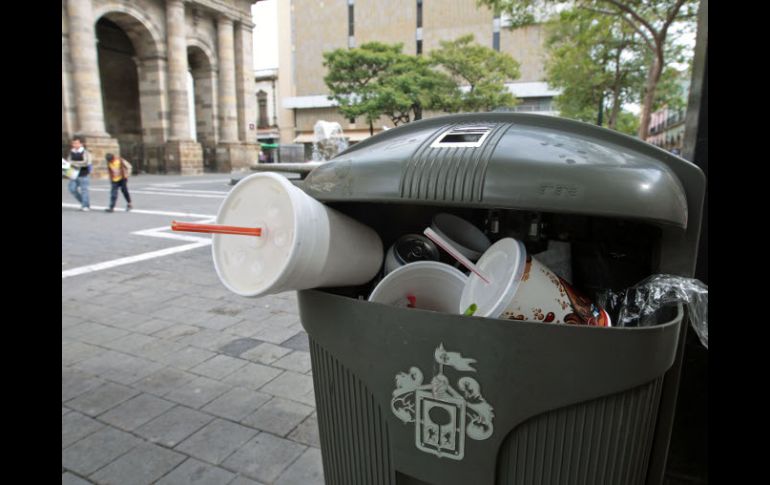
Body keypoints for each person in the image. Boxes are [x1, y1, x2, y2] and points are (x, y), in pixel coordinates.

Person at [67, 136, 93, 211]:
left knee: (84, 190)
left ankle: (85, 206)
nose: (75, 145)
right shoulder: (71, 152)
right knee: (72, 189)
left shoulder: (85, 152)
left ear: (81, 144)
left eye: (76, 143)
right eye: (73, 143)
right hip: (73, 174)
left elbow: (86, 162)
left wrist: (74, 163)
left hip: (83, 174)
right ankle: (85, 202)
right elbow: (68, 162)